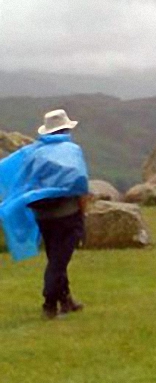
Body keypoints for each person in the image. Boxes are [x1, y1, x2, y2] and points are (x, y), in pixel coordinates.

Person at [0, 109, 89, 319]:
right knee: (59, 261)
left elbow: (25, 181)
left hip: (43, 216)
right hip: (68, 215)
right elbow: (80, 186)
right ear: (66, 128)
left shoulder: (34, 152)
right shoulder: (72, 150)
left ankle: (66, 299)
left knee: (56, 256)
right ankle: (49, 304)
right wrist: (82, 215)